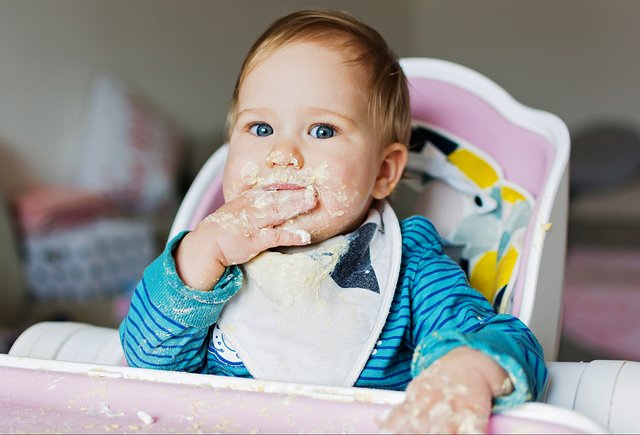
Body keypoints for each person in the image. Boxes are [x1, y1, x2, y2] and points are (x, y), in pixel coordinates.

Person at [119, 9, 547, 433]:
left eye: (322, 130)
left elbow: (504, 340)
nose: (282, 153)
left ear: (383, 172)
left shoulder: (408, 266)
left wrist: (466, 371)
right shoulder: (210, 259)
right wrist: (199, 256)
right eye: (261, 128)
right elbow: (146, 364)